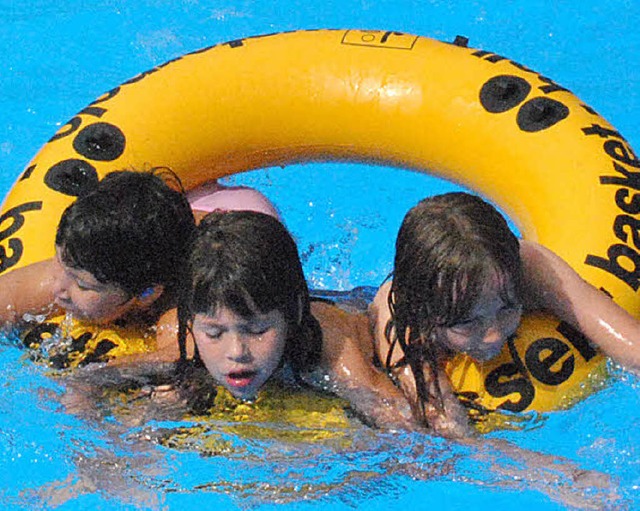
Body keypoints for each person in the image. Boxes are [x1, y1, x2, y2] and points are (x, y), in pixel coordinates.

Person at [369, 192, 640, 436]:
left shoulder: (531, 267)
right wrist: (565, 475)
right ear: (425, 313)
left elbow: (629, 343)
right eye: (467, 323)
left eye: (507, 308)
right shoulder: (401, 324)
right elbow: (449, 430)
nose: (493, 336)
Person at [169, 210, 416, 429]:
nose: (236, 351)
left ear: (294, 314)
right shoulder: (196, 334)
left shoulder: (329, 348)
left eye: (257, 331)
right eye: (214, 333)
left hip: (356, 308)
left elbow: (401, 422)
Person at [0, 169, 196, 361]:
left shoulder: (182, 303)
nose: (58, 288)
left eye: (83, 285)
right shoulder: (79, 265)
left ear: (147, 294)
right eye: (60, 263)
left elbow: (180, 358)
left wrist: (98, 378)